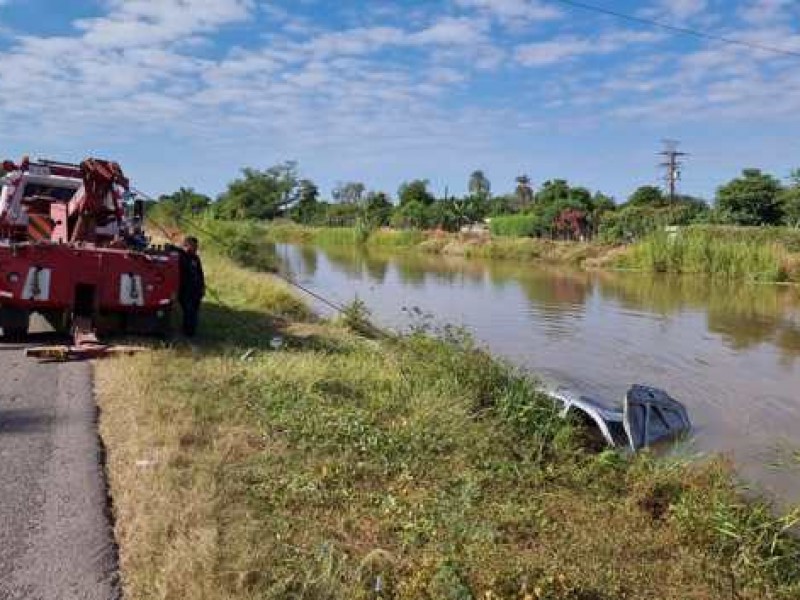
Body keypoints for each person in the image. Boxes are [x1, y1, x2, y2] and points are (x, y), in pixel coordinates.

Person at [175, 236, 205, 337]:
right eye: (193, 246)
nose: (195, 248)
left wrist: (202, 287)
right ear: (186, 245)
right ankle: (187, 331)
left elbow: (200, 274)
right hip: (185, 290)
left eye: (196, 246)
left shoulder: (196, 258)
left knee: (194, 312)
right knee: (188, 310)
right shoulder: (181, 257)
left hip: (196, 290)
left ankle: (192, 331)